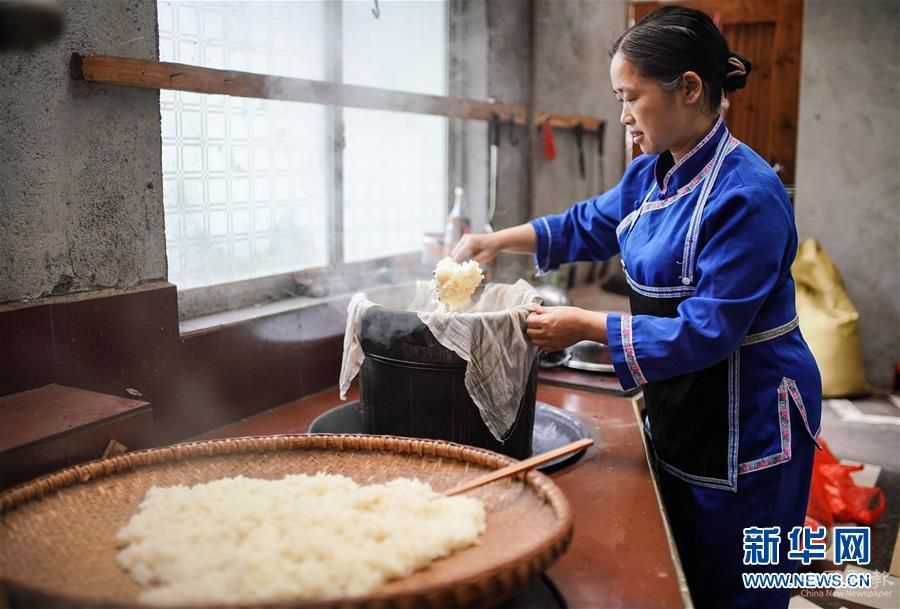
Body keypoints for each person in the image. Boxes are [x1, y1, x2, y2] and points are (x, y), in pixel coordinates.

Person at [452, 7, 821, 609]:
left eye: (631, 97)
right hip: (687, 399)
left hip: (747, 415)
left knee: (743, 580)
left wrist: (584, 325)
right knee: (688, 566)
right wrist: (496, 240)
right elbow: (589, 224)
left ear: (691, 89)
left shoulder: (748, 195)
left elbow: (708, 332)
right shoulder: (653, 173)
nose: (622, 115)